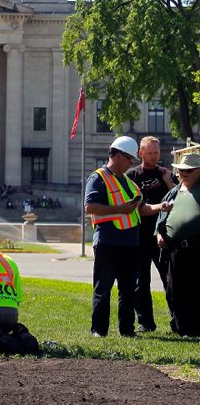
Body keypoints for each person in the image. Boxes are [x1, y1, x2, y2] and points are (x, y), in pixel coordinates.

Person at [84, 135, 172, 338]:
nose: (132, 162)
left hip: (130, 244)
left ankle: (127, 329)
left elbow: (141, 209)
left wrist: (161, 206)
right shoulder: (98, 178)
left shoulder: (129, 182)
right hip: (108, 242)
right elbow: (90, 206)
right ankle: (99, 330)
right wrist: (119, 209)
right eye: (129, 158)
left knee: (128, 289)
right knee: (103, 288)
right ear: (116, 155)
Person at [126, 135, 177, 332]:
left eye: (157, 152)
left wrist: (168, 181)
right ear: (141, 154)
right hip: (140, 236)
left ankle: (177, 321)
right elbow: (136, 207)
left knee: (169, 279)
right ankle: (146, 323)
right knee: (141, 282)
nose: (155, 156)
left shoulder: (166, 174)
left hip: (163, 236)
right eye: (150, 153)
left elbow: (179, 196)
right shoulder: (132, 176)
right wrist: (160, 207)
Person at [155, 152, 200, 336]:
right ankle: (182, 328)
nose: (183, 174)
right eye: (181, 170)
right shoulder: (176, 189)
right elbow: (162, 212)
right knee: (175, 290)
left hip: (196, 247)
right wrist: (159, 233)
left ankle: (196, 327)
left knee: (195, 289)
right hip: (175, 249)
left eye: (188, 170)